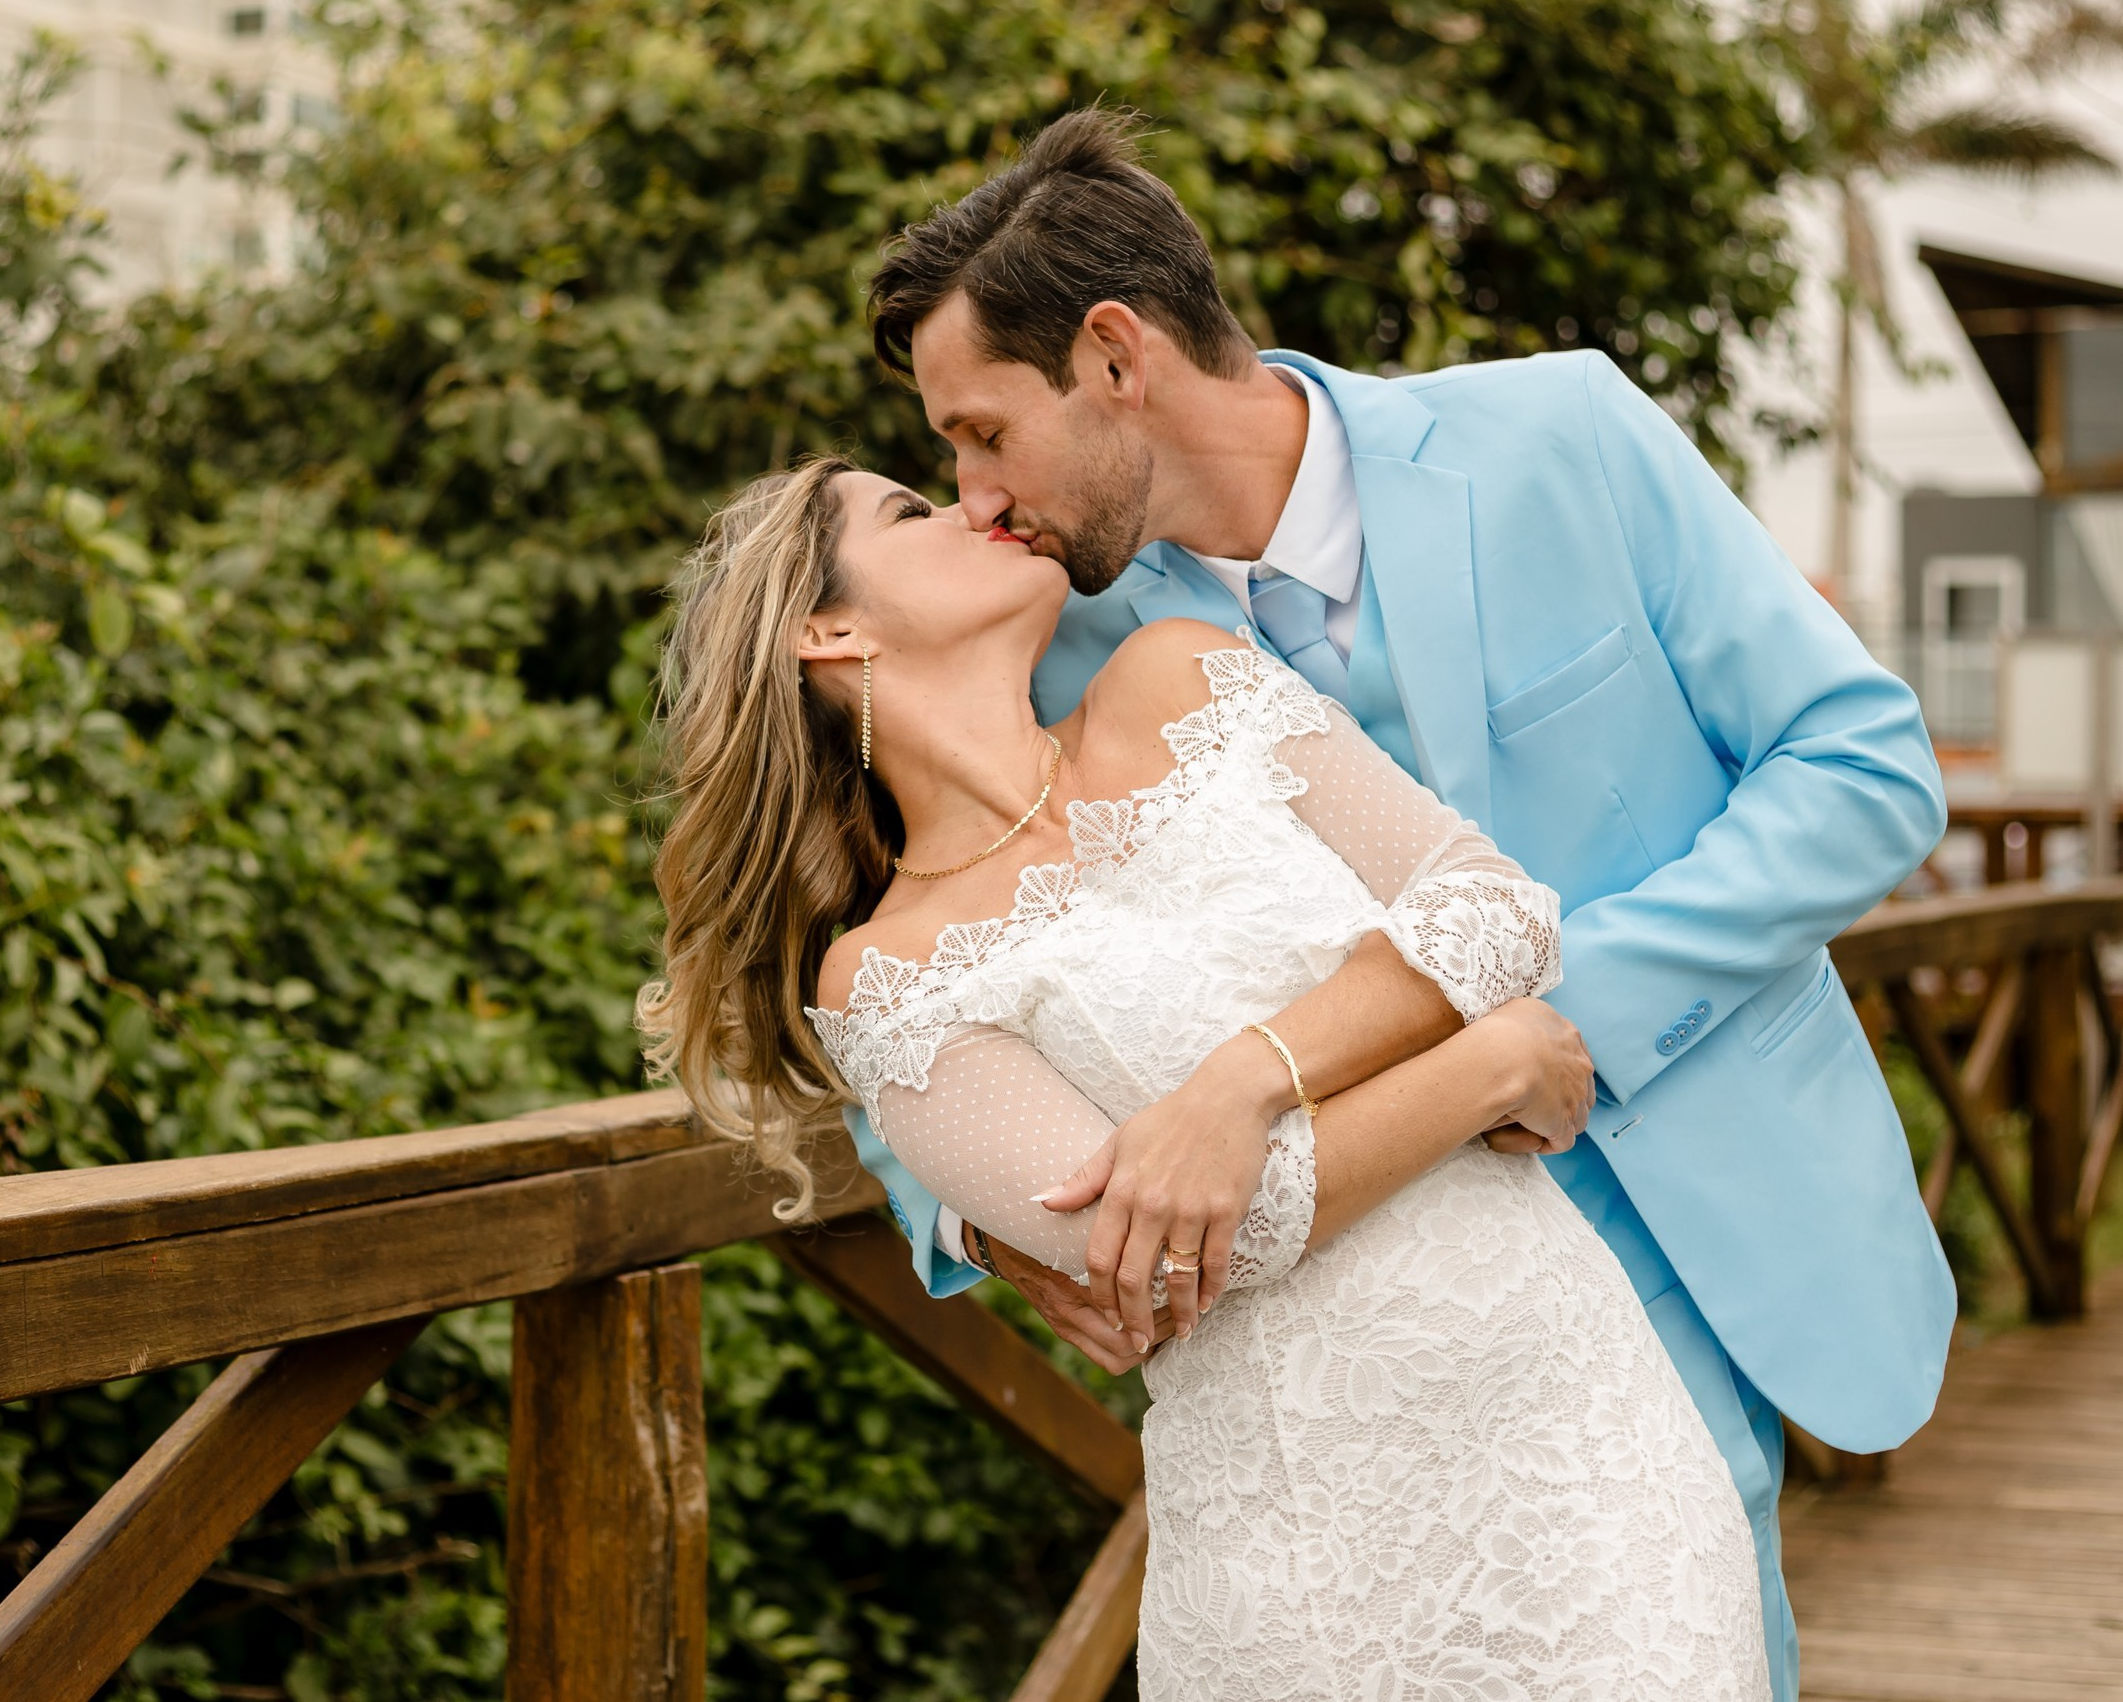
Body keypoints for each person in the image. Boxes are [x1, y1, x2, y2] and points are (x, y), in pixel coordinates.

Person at [838, 109, 1958, 1701]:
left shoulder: (1560, 434)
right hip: (1357, 1338)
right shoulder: (1061, 635)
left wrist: (1550, 1020)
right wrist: (990, 1222)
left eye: (983, 433)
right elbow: (912, 972)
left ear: (1113, 356)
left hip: (1703, 1198)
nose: (975, 500)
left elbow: (1861, 763)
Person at [642, 451, 1774, 1697]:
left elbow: (1493, 914)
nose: (974, 504)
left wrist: (1244, 1084)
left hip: (1584, 1436)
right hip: (1309, 1540)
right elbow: (1184, 1256)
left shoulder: (1179, 677)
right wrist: (1488, 1064)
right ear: (827, 630)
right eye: (909, 511)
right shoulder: (886, 978)